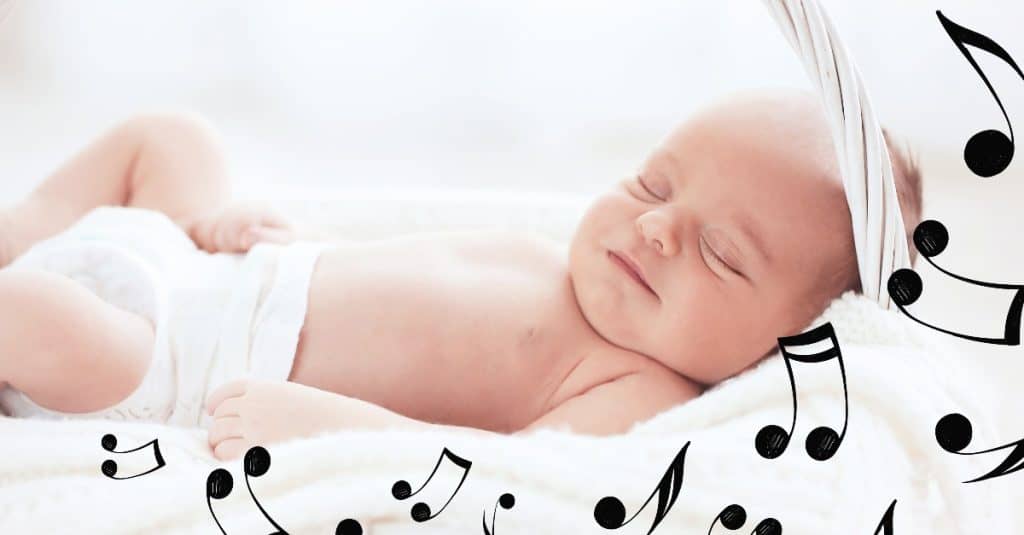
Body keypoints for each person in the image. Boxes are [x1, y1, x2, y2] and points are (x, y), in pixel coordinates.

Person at [0, 87, 922, 460]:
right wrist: (261, 235)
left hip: (167, 361)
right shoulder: (567, 253)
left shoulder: (635, 384)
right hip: (201, 268)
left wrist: (335, 428)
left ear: (802, 335)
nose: (653, 228)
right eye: (652, 182)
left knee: (32, 311)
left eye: (723, 254)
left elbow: (500, 477)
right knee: (170, 139)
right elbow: (383, 275)